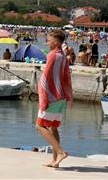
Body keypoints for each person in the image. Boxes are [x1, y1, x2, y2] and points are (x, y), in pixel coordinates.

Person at [36, 29, 73, 168]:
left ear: (56, 41)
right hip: (61, 97)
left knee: (39, 126)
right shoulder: (63, 56)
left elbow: (46, 78)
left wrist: (44, 98)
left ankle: (60, 152)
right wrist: (69, 96)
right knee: (53, 127)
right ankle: (55, 160)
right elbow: (66, 77)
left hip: (51, 97)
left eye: (49, 39)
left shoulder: (52, 55)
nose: (47, 42)